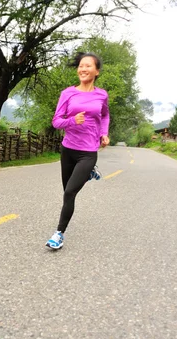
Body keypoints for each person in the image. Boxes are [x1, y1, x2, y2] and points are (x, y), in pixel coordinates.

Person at [45, 52, 110, 250]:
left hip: (88, 151)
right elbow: (56, 121)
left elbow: (105, 115)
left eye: (88, 66)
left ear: (96, 71)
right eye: (81, 66)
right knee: (67, 191)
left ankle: (59, 234)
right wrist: (73, 121)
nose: (83, 69)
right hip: (68, 149)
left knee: (70, 192)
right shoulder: (68, 94)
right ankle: (89, 173)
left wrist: (104, 134)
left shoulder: (101, 95)